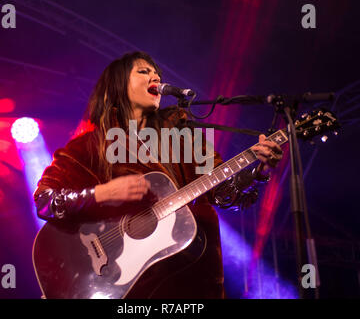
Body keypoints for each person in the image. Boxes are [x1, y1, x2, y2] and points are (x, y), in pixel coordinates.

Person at [33, 51, 283, 298]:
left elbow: (224, 194)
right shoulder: (87, 147)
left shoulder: (184, 136)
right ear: (117, 85)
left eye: (156, 73)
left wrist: (258, 170)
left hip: (196, 285)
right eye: (143, 71)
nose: (155, 76)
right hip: (132, 291)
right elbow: (45, 201)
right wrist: (100, 193)